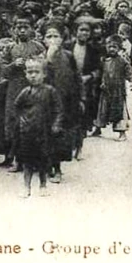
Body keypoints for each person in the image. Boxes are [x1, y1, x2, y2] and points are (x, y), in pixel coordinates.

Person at [13, 58, 64, 198]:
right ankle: (26, 187)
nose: (33, 75)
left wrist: (56, 124)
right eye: (30, 72)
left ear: (44, 74)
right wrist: (22, 120)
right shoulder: (25, 92)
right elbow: (16, 106)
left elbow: (59, 110)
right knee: (27, 161)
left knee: (43, 160)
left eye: (37, 72)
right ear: (25, 74)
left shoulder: (50, 91)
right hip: (27, 132)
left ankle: (43, 185)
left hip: (44, 131)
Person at [3, 12, 46, 172]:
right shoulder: (10, 47)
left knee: (34, 123)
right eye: (18, 27)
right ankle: (16, 159)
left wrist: (33, 63)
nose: (22, 30)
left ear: (32, 29)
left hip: (33, 89)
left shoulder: (38, 47)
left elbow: (45, 67)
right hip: (14, 89)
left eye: (25, 27)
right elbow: (2, 71)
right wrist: (13, 65)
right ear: (14, 29)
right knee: (15, 123)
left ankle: (33, 160)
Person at [42, 22, 80, 183]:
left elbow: (76, 78)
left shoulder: (68, 56)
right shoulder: (39, 56)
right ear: (43, 39)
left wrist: (80, 99)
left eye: (55, 36)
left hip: (63, 101)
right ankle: (46, 166)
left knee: (58, 134)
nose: (52, 40)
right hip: (43, 101)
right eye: (48, 36)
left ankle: (57, 168)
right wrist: (48, 58)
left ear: (62, 39)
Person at [68, 18, 101, 159]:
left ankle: (79, 146)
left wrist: (89, 77)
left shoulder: (94, 50)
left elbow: (99, 69)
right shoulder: (67, 47)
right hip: (69, 86)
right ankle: (69, 146)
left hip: (86, 87)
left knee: (82, 117)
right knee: (68, 116)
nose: (84, 33)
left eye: (87, 31)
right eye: (81, 30)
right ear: (76, 32)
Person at [95, 35, 132, 141]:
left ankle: (122, 133)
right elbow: (101, 73)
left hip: (118, 90)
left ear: (119, 48)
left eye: (114, 47)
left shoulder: (122, 60)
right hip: (105, 90)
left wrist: (131, 81)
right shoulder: (104, 60)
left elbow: (129, 71)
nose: (112, 49)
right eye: (109, 47)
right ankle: (98, 128)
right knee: (102, 110)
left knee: (120, 111)